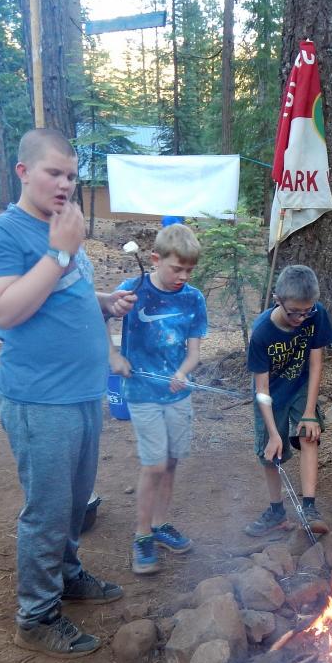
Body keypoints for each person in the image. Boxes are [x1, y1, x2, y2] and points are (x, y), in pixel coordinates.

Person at [0, 128, 135, 659]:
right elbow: (3, 309)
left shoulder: (60, 226)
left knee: (73, 503)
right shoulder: (4, 233)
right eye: (53, 173)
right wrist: (60, 251)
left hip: (83, 392)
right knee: (47, 511)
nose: (65, 184)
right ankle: (36, 616)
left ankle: (66, 575)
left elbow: (62, 290)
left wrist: (102, 300)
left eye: (71, 175)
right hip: (40, 399)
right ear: (23, 172)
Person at [110, 222, 207, 575]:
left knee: (171, 461)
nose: (183, 276)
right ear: (155, 259)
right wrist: (113, 356)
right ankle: (142, 535)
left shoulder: (193, 298)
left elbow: (193, 353)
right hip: (142, 393)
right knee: (153, 464)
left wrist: (183, 373)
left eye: (189, 270)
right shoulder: (133, 289)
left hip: (177, 396)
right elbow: (98, 316)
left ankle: (160, 524)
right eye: (177, 268)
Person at [244, 265, 332, 536]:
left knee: (309, 434)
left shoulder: (316, 314)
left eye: (306, 311)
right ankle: (276, 512)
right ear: (278, 300)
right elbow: (261, 388)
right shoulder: (262, 332)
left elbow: (316, 364)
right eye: (294, 311)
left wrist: (309, 412)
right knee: (271, 454)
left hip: (300, 384)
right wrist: (274, 435)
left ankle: (309, 508)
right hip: (270, 394)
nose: (301, 318)